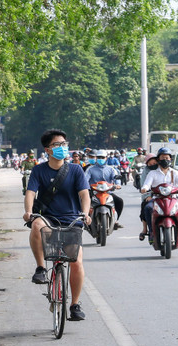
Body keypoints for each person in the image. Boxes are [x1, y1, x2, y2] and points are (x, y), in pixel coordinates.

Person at [23, 129, 91, 322]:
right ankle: (40, 269)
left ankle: (75, 304)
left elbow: (84, 194)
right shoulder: (39, 170)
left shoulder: (76, 169)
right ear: (47, 150)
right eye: (57, 145)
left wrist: (85, 213)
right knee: (36, 224)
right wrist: (28, 211)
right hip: (48, 218)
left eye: (64, 144)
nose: (62, 147)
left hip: (72, 219)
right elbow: (30, 193)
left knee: (76, 261)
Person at [139, 148, 178, 242]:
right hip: (156, 198)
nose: (165, 160)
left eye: (167, 158)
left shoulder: (174, 172)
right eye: (163, 158)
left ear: (170, 159)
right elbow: (147, 184)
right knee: (147, 208)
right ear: (158, 159)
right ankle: (151, 233)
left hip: (173, 198)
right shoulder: (152, 173)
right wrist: (145, 188)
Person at [85, 150, 124, 227]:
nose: (101, 159)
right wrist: (85, 186)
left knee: (119, 201)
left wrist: (117, 185)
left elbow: (116, 177)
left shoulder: (111, 169)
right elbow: (85, 179)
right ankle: (84, 219)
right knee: (83, 201)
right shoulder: (90, 169)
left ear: (106, 158)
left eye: (102, 157)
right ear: (96, 158)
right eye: (99, 157)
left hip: (107, 193)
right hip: (94, 193)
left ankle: (115, 221)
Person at [137, 155, 159, 240]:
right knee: (145, 207)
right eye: (150, 164)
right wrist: (147, 195)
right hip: (151, 195)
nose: (153, 164)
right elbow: (144, 184)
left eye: (154, 162)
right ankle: (145, 229)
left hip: (166, 195)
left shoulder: (167, 169)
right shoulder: (147, 171)